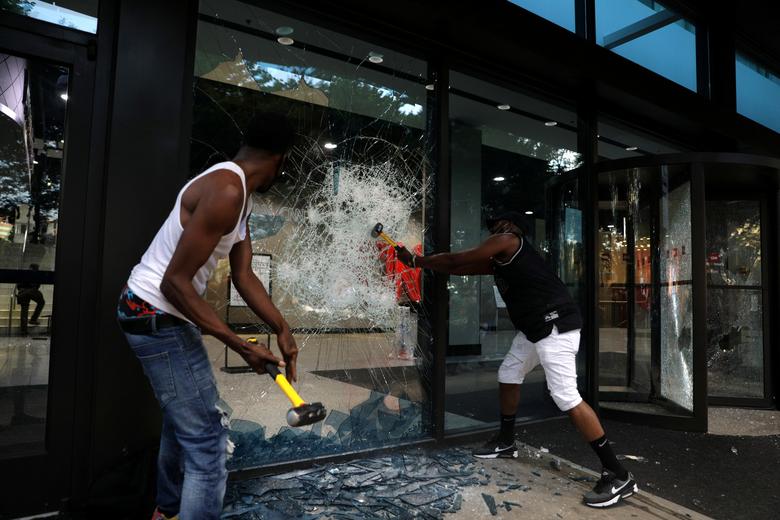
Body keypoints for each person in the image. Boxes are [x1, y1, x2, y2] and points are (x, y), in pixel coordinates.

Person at [117, 112, 298, 520]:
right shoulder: (226, 190)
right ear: (279, 159)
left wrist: (281, 328)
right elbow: (174, 282)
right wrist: (239, 343)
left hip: (162, 314)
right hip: (153, 312)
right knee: (208, 443)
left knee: (184, 421)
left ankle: (166, 510)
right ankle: (171, 509)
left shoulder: (242, 196)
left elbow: (244, 274)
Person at [395, 211, 637, 508]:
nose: (496, 231)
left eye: (500, 225)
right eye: (494, 227)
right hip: (535, 329)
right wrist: (418, 261)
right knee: (509, 373)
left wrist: (417, 260)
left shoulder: (510, 241)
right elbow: (457, 268)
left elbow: (458, 260)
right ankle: (507, 441)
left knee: (565, 396)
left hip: (554, 326)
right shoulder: (499, 261)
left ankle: (618, 473)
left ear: (511, 229)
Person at [16, 263, 45, 335]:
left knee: (25, 310)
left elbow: (37, 286)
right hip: (27, 291)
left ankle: (24, 330)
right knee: (25, 310)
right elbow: (19, 285)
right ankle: (31, 321)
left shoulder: (27, 274)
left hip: (24, 292)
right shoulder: (31, 275)